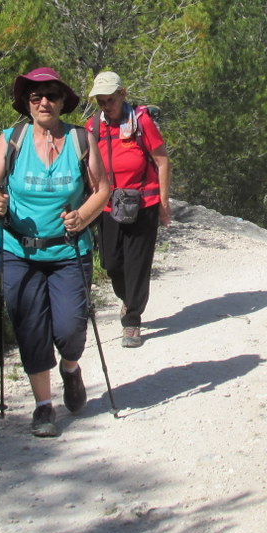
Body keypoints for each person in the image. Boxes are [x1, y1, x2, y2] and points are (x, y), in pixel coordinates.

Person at [0, 67, 111, 438]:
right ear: (27, 104)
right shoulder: (11, 139)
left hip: (68, 250)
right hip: (17, 251)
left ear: (63, 101)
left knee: (70, 331)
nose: (44, 102)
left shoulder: (81, 141)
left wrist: (83, 215)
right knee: (30, 328)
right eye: (36, 97)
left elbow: (102, 189)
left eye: (51, 95)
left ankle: (70, 368)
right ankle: (43, 407)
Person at [86, 71, 171, 349]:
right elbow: (88, 166)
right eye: (101, 101)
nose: (106, 105)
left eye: (110, 99)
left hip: (143, 203)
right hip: (108, 204)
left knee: (137, 263)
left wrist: (164, 203)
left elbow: (161, 161)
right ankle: (127, 299)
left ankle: (132, 320)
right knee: (112, 263)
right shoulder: (93, 127)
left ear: (122, 94)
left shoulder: (141, 121)